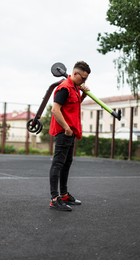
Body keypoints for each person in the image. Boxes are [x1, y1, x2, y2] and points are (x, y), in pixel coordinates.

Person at [49, 61, 91, 211]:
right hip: (64, 132)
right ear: (75, 74)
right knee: (58, 164)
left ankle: (64, 194)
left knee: (67, 163)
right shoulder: (65, 88)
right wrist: (66, 128)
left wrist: (84, 94)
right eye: (83, 78)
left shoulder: (74, 89)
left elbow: (73, 105)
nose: (84, 81)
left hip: (71, 132)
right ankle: (55, 199)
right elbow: (55, 110)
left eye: (86, 79)